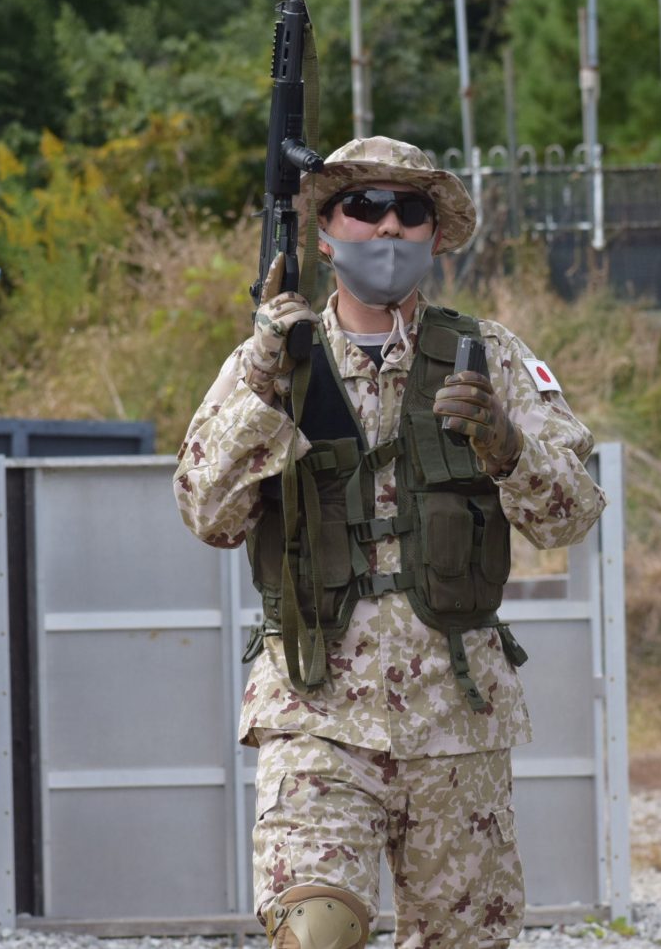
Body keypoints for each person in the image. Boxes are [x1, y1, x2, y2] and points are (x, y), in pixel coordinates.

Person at [174, 136, 607, 948]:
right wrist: (264, 380)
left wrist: (506, 444)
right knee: (317, 928)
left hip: (456, 716)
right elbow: (208, 513)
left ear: (435, 237)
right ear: (323, 234)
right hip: (316, 705)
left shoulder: (489, 356)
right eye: (364, 206)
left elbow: (572, 515)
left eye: (410, 211)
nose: (388, 227)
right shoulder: (274, 362)